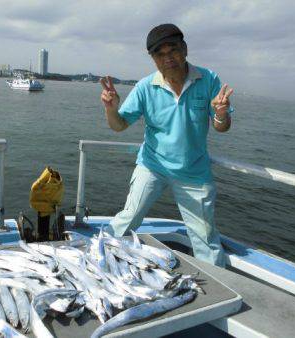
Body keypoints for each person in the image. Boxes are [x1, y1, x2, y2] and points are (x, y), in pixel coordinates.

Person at [99, 23, 234, 267]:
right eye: (159, 54)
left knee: (205, 238)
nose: (167, 58)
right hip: (152, 166)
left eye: (172, 50)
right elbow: (119, 125)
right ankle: (97, 255)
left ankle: (221, 284)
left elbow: (221, 126)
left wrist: (221, 113)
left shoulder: (208, 79)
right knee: (128, 218)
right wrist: (111, 108)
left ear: (184, 48)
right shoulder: (145, 87)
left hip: (193, 171)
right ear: (153, 59)